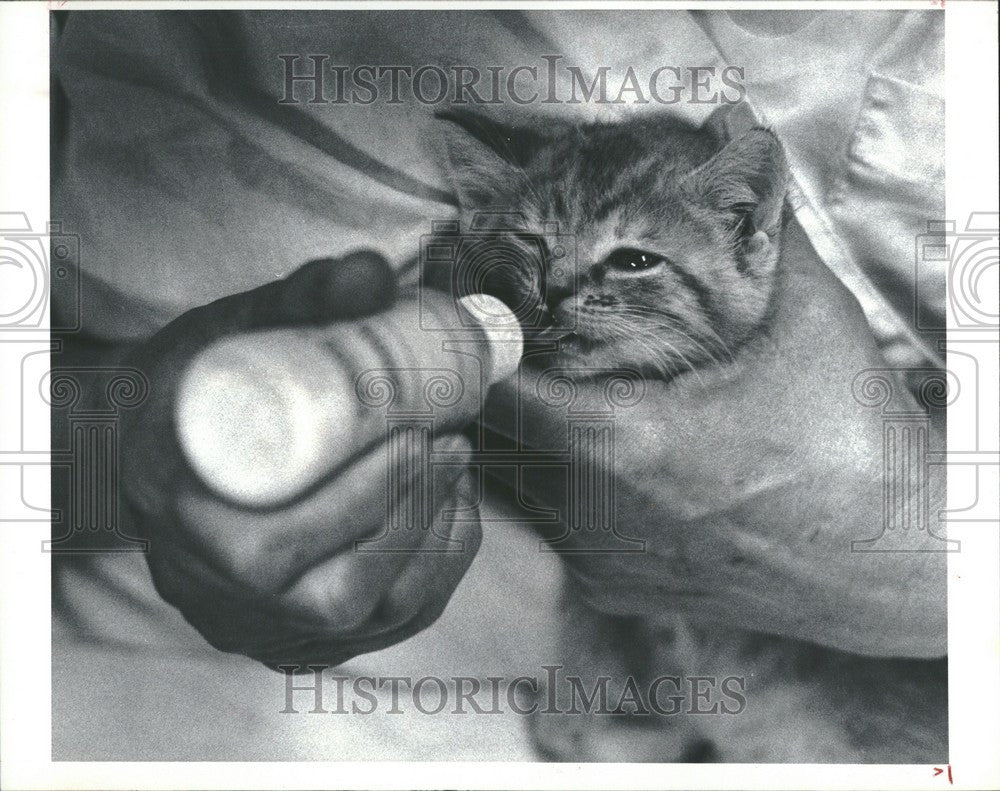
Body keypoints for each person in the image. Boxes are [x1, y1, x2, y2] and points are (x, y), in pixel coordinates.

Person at [50, 9, 946, 759]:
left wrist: (924, 575)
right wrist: (123, 449)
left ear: (749, 221)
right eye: (531, 251)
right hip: (333, 694)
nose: (560, 293)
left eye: (630, 260)